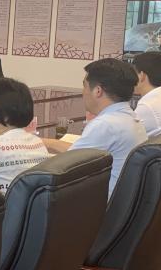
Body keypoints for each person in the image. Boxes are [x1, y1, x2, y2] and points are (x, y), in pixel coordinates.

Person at [42, 58, 147, 198]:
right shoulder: (129, 118)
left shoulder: (105, 125)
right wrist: (46, 142)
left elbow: (66, 167)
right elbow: (77, 152)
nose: (83, 92)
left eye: (84, 86)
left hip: (101, 205)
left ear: (97, 91)